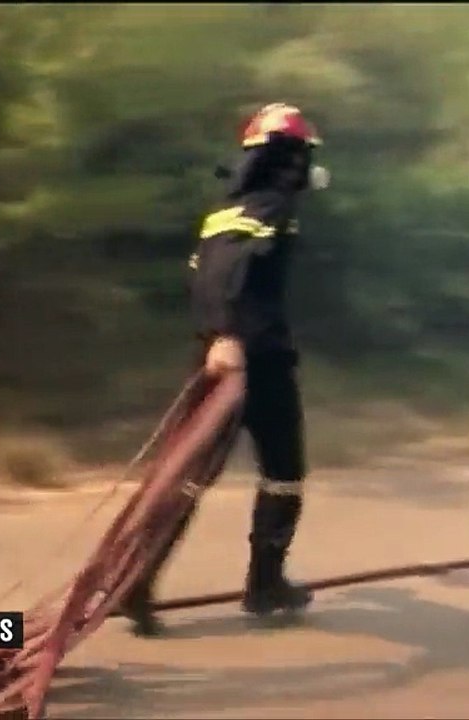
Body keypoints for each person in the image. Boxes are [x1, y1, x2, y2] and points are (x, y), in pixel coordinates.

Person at [120, 103, 329, 636]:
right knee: (276, 472)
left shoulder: (230, 206)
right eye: (301, 157)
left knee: (202, 473)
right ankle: (258, 585)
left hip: (232, 356)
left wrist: (215, 336)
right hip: (252, 360)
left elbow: (206, 276)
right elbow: (225, 273)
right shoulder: (269, 204)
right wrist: (228, 335)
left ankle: (145, 582)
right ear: (288, 158)